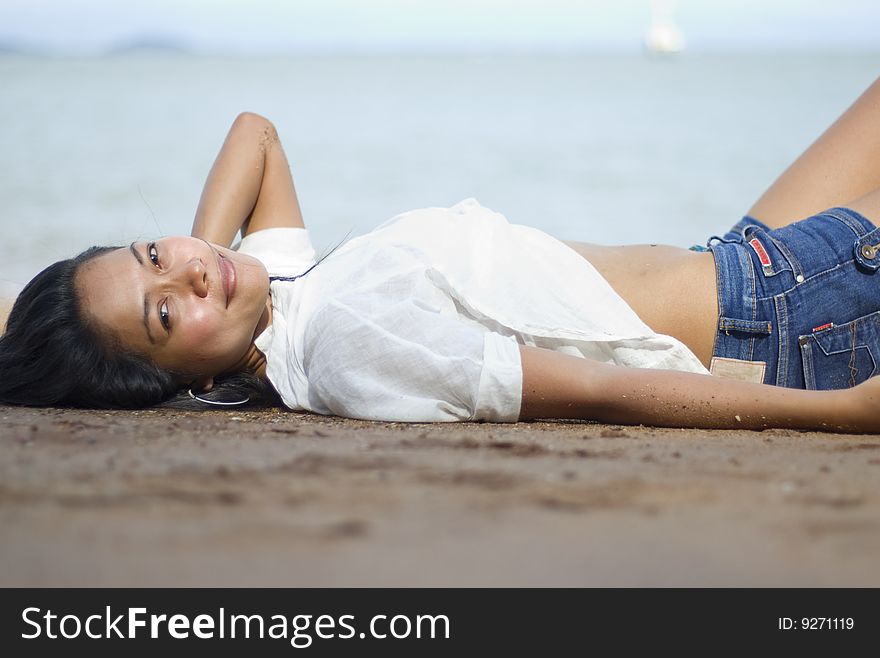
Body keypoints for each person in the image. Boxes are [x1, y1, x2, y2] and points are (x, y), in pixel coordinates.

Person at [3, 77, 880, 433]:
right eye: (164, 313)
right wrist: (847, 415)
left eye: (154, 250)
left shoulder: (290, 298)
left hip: (741, 263)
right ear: (184, 382)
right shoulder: (343, 337)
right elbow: (604, 392)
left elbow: (255, 135)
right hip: (785, 316)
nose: (189, 269)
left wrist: (205, 277)